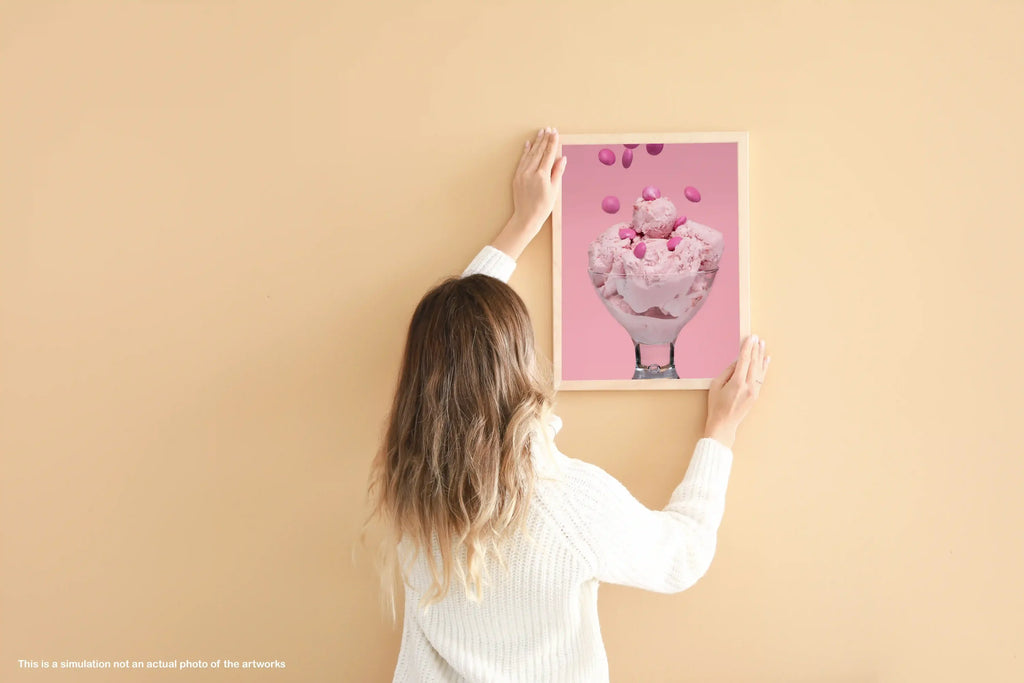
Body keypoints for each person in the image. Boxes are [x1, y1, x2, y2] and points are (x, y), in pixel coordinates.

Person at [366, 127, 771, 682]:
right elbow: (682, 557)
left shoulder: (412, 492)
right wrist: (720, 432)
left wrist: (522, 224)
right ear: (520, 368)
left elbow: (456, 346)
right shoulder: (565, 505)